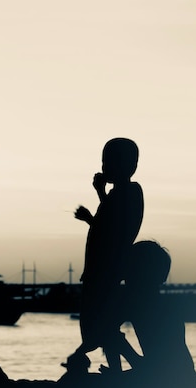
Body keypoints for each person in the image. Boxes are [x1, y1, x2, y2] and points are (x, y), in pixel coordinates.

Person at [63, 138, 144, 375]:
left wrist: (99, 194)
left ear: (130, 166)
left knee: (101, 325)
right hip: (100, 268)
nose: (104, 167)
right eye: (104, 162)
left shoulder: (130, 191)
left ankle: (135, 364)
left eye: (109, 162)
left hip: (107, 269)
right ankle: (116, 370)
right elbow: (106, 225)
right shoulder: (118, 194)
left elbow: (113, 227)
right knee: (102, 324)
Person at [123, 240, 196, 384]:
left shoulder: (143, 305)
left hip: (173, 381)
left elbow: (158, 367)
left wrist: (121, 346)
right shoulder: (161, 304)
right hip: (181, 374)